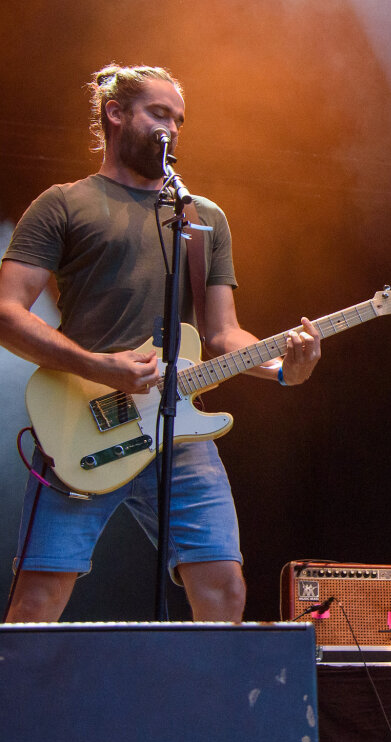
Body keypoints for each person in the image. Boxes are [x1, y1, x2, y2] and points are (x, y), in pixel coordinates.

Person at [0, 65, 321, 623]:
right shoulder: (64, 203)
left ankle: (207, 711)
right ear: (115, 113)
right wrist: (99, 366)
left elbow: (222, 334)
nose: (170, 126)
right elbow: (6, 312)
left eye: (179, 118)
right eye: (157, 113)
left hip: (178, 430)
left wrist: (282, 368)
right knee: (37, 600)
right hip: (81, 421)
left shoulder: (203, 219)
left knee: (223, 588)